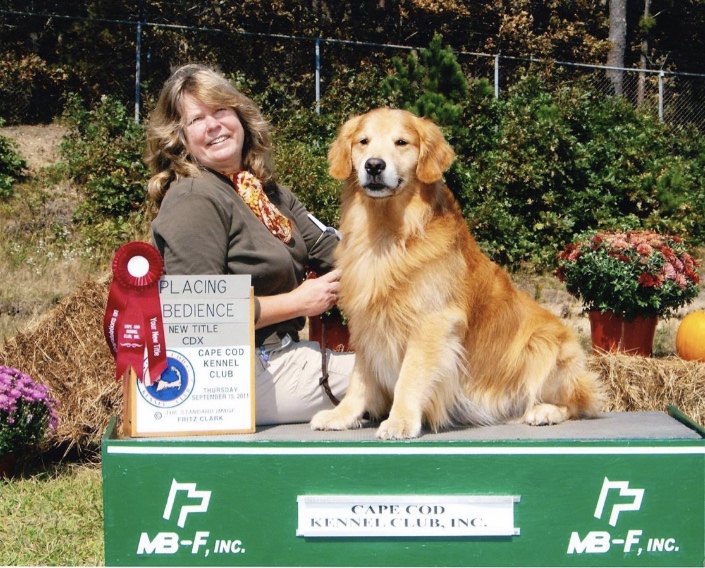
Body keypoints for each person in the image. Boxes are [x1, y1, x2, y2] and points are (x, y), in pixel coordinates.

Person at [144, 63, 352, 425]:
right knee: (401, 377)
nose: (213, 125)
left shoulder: (265, 192)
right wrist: (297, 302)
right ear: (179, 139)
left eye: (221, 110)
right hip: (237, 376)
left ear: (240, 117)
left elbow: (336, 251)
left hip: (288, 357)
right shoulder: (194, 198)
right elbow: (197, 314)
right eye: (196, 120)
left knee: (417, 360)